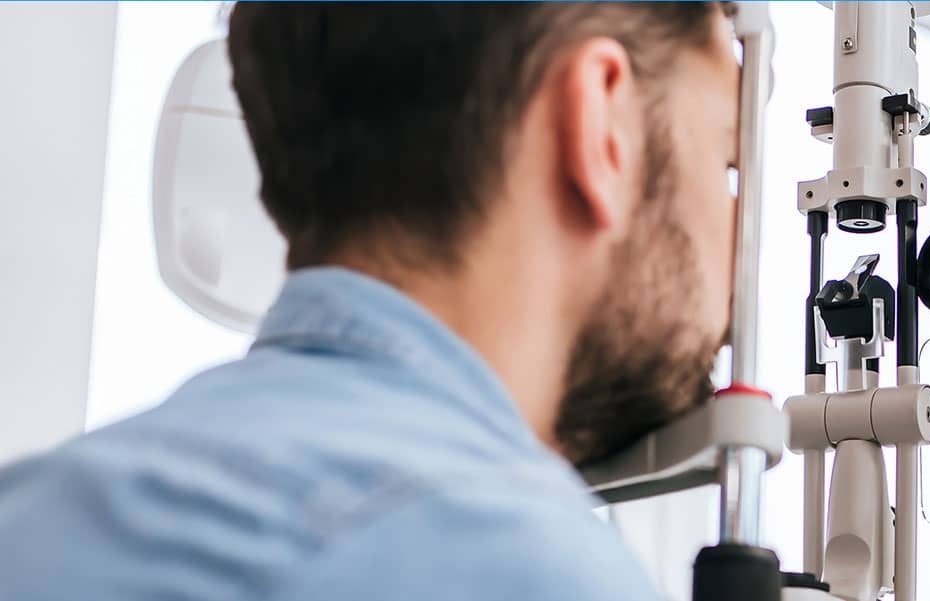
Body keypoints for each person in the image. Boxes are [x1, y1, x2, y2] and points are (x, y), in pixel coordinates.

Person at [0, 4, 739, 599]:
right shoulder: (524, 566)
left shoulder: (31, 513)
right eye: (726, 155)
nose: (739, 242)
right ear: (602, 125)